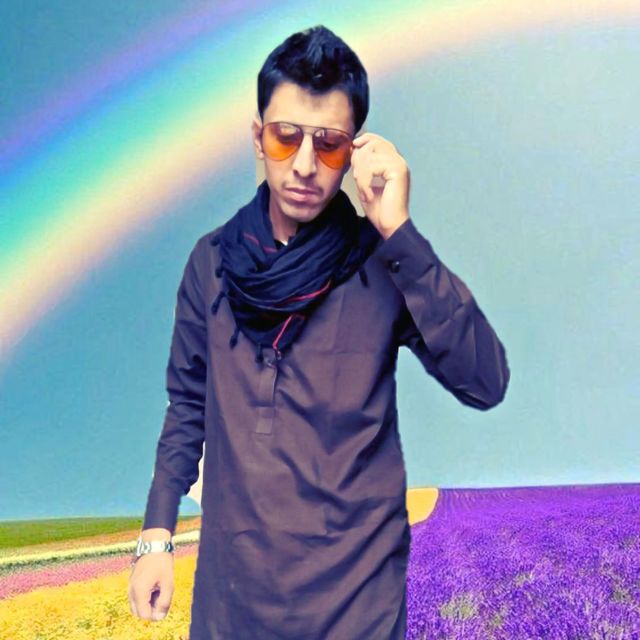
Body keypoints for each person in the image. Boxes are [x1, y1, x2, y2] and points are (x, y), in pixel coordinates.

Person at [128, 24, 510, 640]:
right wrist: (156, 537)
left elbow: (485, 381)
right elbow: (187, 407)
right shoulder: (210, 262)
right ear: (258, 139)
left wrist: (400, 232)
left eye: (329, 145)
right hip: (234, 603)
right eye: (286, 137)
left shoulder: (384, 261)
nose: (305, 166)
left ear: (353, 152)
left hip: (357, 605)